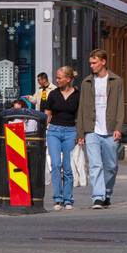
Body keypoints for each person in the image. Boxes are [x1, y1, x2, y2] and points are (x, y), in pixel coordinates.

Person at [77, 49, 123, 209]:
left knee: (111, 166)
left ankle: (107, 193)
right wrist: (80, 132)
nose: (91, 66)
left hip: (110, 129)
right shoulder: (86, 82)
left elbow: (120, 106)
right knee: (95, 165)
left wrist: (118, 127)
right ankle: (97, 197)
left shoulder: (116, 81)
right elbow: (82, 108)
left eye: (94, 62)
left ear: (103, 62)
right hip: (92, 130)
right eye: (90, 63)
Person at [44, 66, 79, 210]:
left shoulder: (78, 94)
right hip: (54, 131)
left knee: (68, 166)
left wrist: (81, 134)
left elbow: (81, 114)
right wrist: (44, 130)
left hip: (70, 131)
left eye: (59, 78)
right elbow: (47, 114)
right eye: (56, 77)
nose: (56, 80)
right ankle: (57, 199)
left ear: (68, 79)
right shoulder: (53, 94)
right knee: (56, 164)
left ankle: (68, 199)